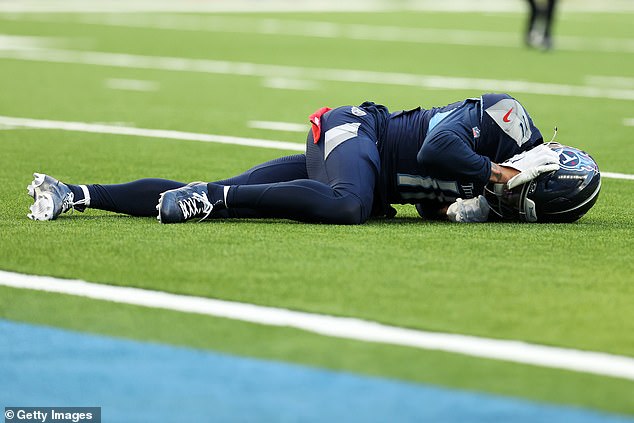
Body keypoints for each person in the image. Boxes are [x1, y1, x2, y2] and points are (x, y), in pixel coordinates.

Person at [26, 93, 600, 225]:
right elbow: (435, 148)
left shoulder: (489, 191)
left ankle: (74, 193)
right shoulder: (505, 117)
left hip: (364, 167)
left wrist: (465, 206)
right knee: (349, 205)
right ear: (537, 167)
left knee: (221, 184)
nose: (514, 198)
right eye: (527, 194)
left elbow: (429, 197)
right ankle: (216, 201)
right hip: (355, 130)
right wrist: (493, 175)